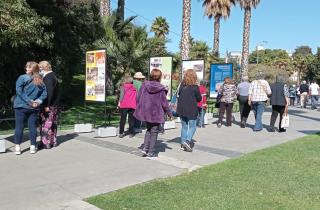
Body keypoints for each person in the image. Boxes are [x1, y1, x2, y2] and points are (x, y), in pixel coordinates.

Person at [134, 69, 172, 159]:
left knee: (148, 130)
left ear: (151, 75)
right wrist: (169, 113)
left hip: (146, 112)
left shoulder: (144, 85)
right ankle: (151, 152)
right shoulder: (161, 88)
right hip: (155, 113)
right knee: (154, 132)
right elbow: (164, 103)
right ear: (160, 77)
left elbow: (138, 97)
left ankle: (145, 149)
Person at [13, 62, 47, 155]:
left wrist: (29, 101)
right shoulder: (40, 79)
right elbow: (44, 94)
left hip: (20, 106)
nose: (26, 68)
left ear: (31, 69)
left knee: (19, 126)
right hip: (34, 107)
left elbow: (19, 91)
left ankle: (17, 147)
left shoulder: (22, 77)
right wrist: (37, 102)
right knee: (32, 127)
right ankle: (32, 147)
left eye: (27, 67)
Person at [177, 69, 201, 152]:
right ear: (194, 77)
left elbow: (179, 94)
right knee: (193, 126)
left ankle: (182, 144)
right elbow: (199, 98)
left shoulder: (182, 86)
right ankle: (187, 141)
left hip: (181, 109)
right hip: (191, 109)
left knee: (184, 127)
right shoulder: (195, 87)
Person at [38, 61, 59, 149]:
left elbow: (49, 92)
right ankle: (52, 142)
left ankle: (46, 143)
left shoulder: (48, 78)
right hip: (54, 105)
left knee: (46, 124)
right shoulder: (53, 76)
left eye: (40, 68)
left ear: (44, 68)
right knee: (52, 124)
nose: (39, 70)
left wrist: (47, 105)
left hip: (49, 105)